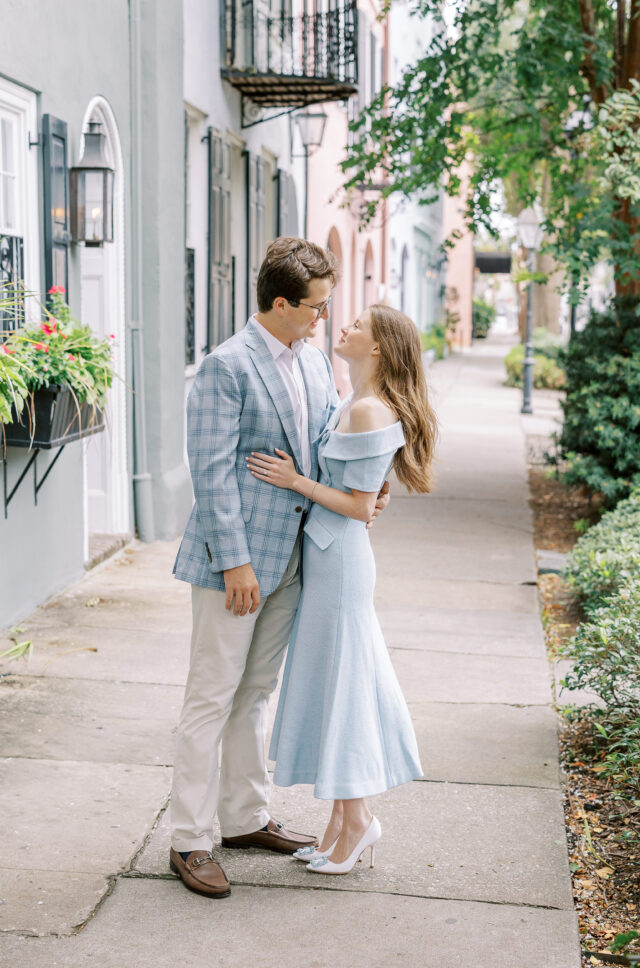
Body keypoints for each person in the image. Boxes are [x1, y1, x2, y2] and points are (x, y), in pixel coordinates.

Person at [169, 238, 388, 899]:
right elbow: (210, 475)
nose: (326, 316)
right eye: (317, 307)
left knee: (254, 694)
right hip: (232, 566)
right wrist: (234, 562)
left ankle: (244, 816)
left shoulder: (318, 363)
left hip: (295, 560)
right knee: (209, 698)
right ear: (282, 303)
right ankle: (190, 839)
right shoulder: (225, 367)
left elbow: (325, 444)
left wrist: (367, 488)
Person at [246, 303, 438, 875]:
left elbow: (357, 506)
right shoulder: (354, 402)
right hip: (329, 559)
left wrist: (295, 481)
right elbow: (369, 491)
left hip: (340, 563)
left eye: (358, 325)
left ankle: (356, 823)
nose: (344, 326)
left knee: (344, 688)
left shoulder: (370, 410)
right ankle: (338, 826)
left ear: (377, 348)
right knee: (337, 686)